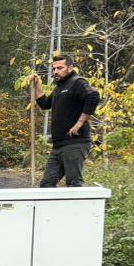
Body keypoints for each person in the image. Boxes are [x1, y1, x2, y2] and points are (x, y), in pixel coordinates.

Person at [31, 54, 100, 187]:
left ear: (70, 68)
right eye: (54, 69)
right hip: (58, 145)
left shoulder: (77, 82)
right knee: (46, 185)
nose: (56, 71)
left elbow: (93, 96)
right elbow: (45, 103)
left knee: (73, 184)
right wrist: (37, 85)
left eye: (60, 68)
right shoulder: (59, 88)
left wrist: (79, 123)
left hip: (75, 143)